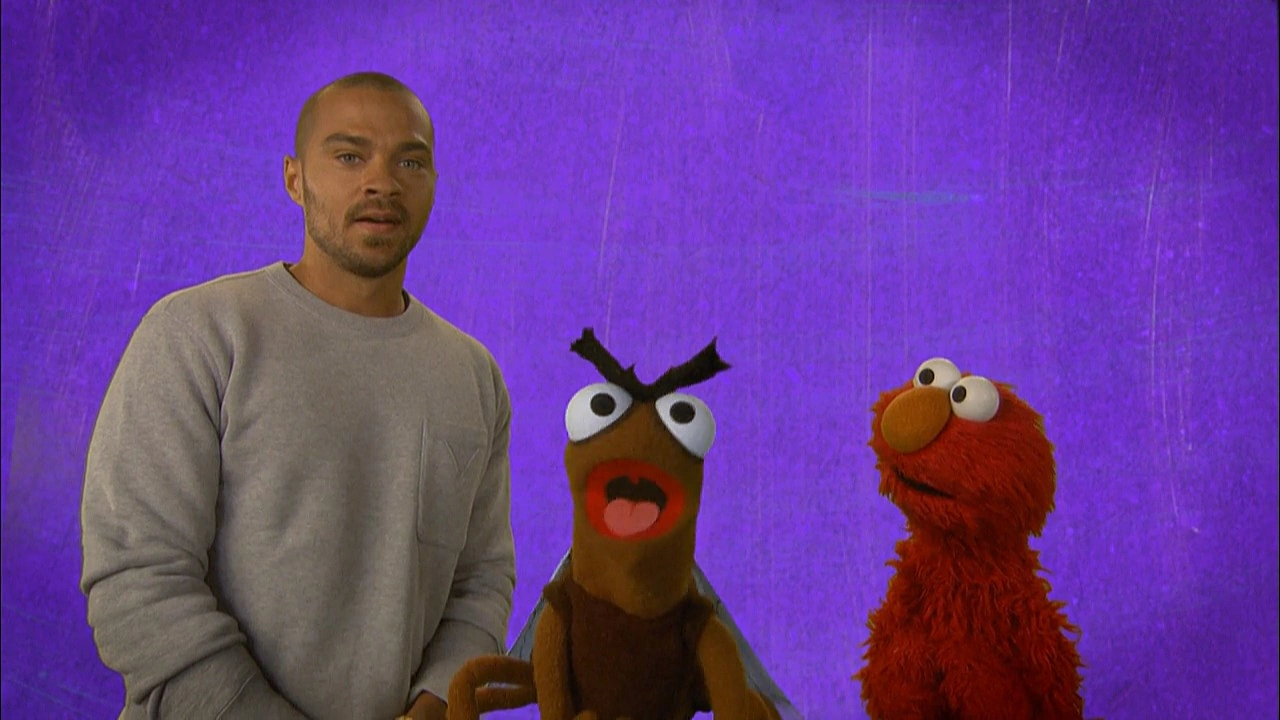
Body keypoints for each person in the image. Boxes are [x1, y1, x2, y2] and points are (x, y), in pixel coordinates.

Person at [79, 71, 516, 720]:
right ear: (293, 178)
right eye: (349, 156)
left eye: (410, 161)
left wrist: (438, 702)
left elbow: (481, 582)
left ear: (433, 182)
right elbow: (137, 578)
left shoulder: (472, 375)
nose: (382, 182)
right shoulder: (199, 334)